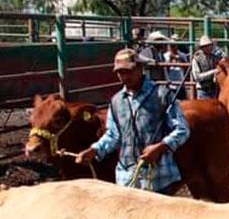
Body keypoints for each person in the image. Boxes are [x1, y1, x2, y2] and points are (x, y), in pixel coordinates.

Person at [75, 49, 190, 195]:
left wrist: (160, 147)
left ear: (140, 69)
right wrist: (95, 150)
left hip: (158, 177)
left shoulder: (162, 95)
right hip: (127, 178)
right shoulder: (116, 101)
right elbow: (114, 135)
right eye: (120, 72)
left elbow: (182, 129)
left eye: (128, 71)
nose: (124, 76)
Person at [192, 35, 225, 99]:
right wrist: (213, 72)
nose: (209, 47)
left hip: (214, 89)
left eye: (210, 45)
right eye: (207, 46)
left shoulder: (215, 58)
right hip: (202, 90)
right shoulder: (196, 59)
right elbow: (197, 77)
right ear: (202, 47)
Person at [164, 34, 190, 98]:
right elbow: (165, 69)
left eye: (174, 45)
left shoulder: (182, 55)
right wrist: (170, 59)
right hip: (170, 84)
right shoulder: (165, 56)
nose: (173, 47)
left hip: (181, 83)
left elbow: (187, 68)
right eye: (171, 45)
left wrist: (178, 58)